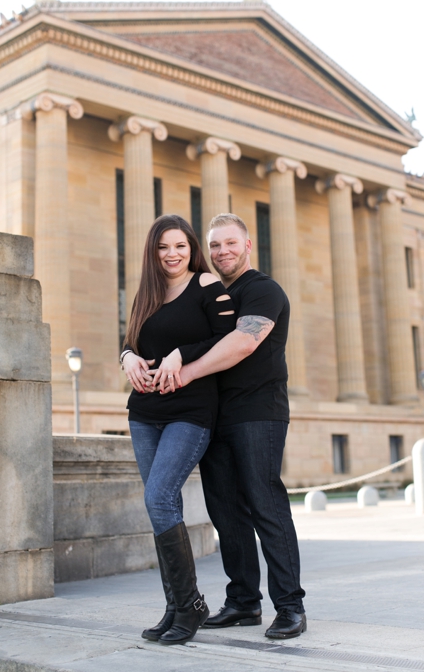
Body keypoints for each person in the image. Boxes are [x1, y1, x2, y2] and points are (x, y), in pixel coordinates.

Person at [173, 213, 307, 639]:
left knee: (265, 505)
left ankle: (290, 606)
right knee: (225, 512)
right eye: (214, 245)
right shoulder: (211, 296)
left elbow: (244, 341)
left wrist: (188, 371)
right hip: (214, 415)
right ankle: (244, 603)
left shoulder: (262, 289)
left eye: (230, 243)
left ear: (248, 246)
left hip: (258, 411)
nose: (221, 252)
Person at [120, 214, 236, 645]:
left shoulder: (207, 286)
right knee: (159, 506)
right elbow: (132, 340)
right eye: (164, 247)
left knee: (158, 496)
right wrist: (127, 357)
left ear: (192, 249)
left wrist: (180, 355)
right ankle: (178, 605)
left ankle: (190, 606)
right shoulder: (147, 293)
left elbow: (228, 340)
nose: (172, 254)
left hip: (190, 409)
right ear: (154, 251)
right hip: (144, 411)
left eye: (180, 246)